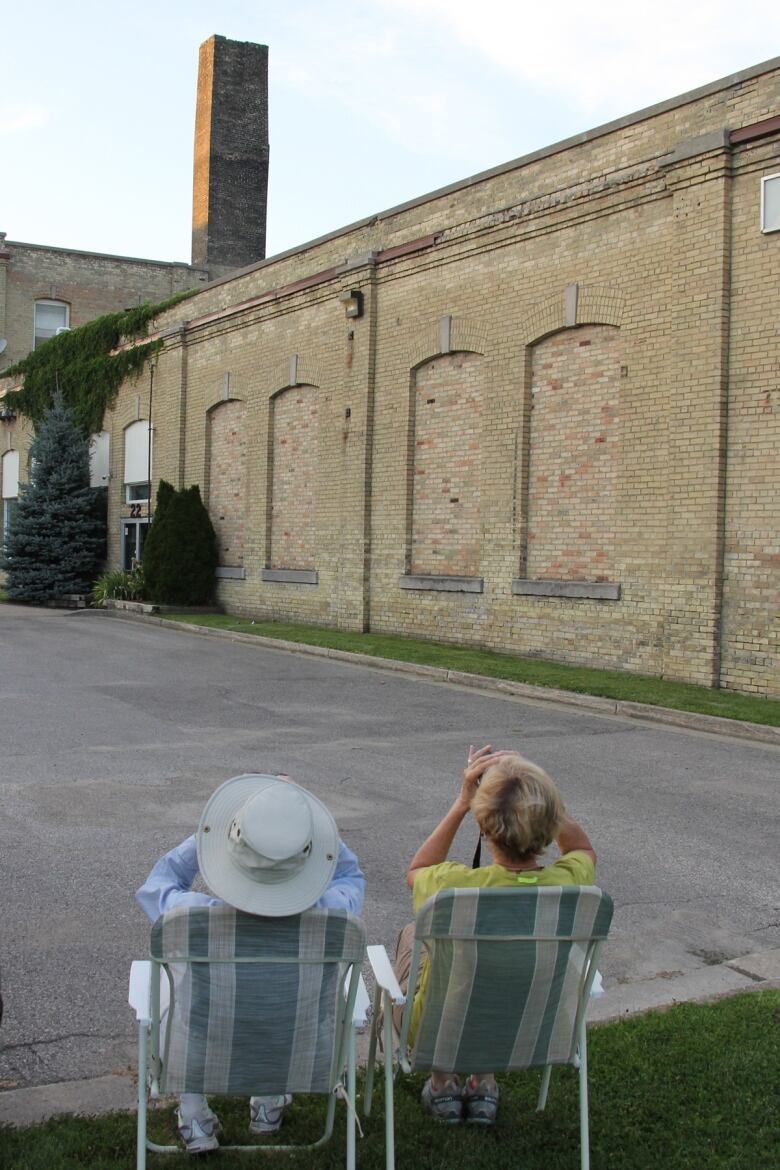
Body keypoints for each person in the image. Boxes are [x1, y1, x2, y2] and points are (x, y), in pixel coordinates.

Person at [136, 773, 365, 1155]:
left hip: (205, 1043)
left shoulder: (192, 917)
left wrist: (213, 836)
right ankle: (268, 1104)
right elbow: (349, 874)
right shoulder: (332, 916)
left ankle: (194, 1117)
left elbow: (159, 881)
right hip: (295, 1043)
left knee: (174, 999)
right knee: (280, 1005)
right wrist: (300, 826)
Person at [398, 745, 596, 1126]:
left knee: (413, 936)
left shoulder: (453, 887)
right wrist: (539, 796)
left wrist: (461, 803)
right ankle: (483, 1082)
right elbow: (582, 848)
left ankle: (442, 1084)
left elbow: (418, 868)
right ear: (551, 823)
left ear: (482, 825)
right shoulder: (567, 884)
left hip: (435, 1033)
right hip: (535, 1027)